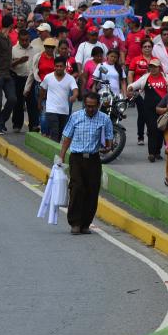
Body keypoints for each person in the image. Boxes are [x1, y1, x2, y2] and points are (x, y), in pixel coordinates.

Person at [57, 91, 114, 235]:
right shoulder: (76, 117)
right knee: (77, 189)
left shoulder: (105, 119)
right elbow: (67, 137)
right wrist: (61, 156)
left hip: (94, 159)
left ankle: (86, 223)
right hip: (77, 158)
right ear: (84, 105)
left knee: (92, 191)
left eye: (93, 107)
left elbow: (109, 140)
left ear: (98, 105)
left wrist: (107, 148)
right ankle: (75, 223)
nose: (90, 109)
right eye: (88, 106)